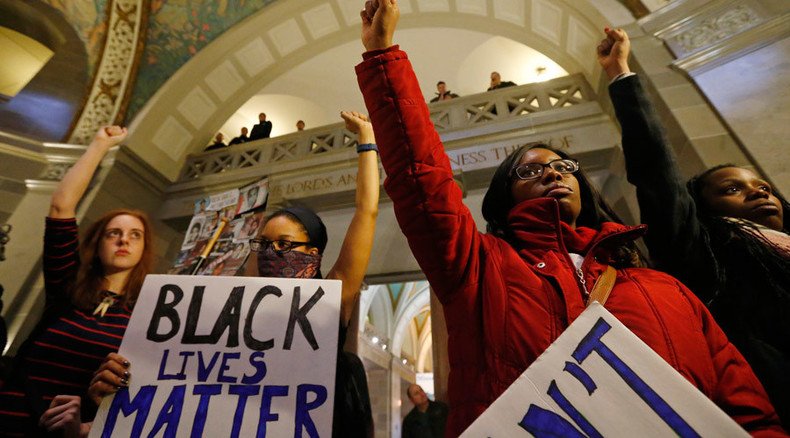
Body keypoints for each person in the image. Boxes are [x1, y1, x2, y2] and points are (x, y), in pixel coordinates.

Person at [355, 2, 784, 436]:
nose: (553, 172)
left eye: (564, 166)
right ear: (506, 197)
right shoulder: (484, 269)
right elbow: (421, 180)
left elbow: (747, 410)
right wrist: (382, 56)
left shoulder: (666, 287)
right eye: (530, 170)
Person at [600, 27, 790, 426]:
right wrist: (620, 75)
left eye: (762, 186)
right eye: (732, 189)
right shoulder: (707, 254)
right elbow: (657, 174)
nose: (757, 194)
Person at [0, 126, 154, 437]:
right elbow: (61, 207)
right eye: (114, 233)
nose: (124, 239)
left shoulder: (143, 317)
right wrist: (100, 144)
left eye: (134, 235)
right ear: (98, 244)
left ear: (143, 249)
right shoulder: (67, 284)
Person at [248, 110, 379, 437]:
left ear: (312, 252)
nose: (270, 252)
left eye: (284, 243)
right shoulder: (242, 299)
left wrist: (367, 141)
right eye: (263, 243)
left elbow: (367, 211)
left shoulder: (334, 292)